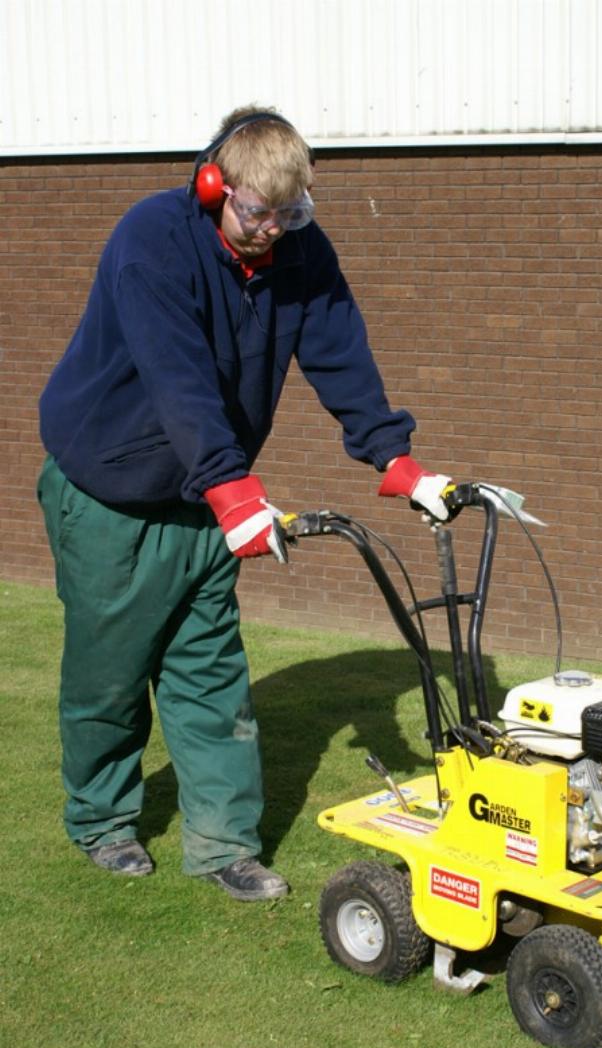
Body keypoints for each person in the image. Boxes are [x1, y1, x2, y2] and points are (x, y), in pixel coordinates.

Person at [37, 105, 452, 901]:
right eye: (256, 213)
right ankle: (103, 821)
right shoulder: (152, 240)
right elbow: (177, 376)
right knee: (110, 675)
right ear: (212, 186)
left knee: (211, 677)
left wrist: (394, 457)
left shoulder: (297, 250)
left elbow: (339, 346)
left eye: (288, 214)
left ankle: (224, 843)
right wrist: (234, 489)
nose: (270, 231)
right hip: (112, 492)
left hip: (205, 495)